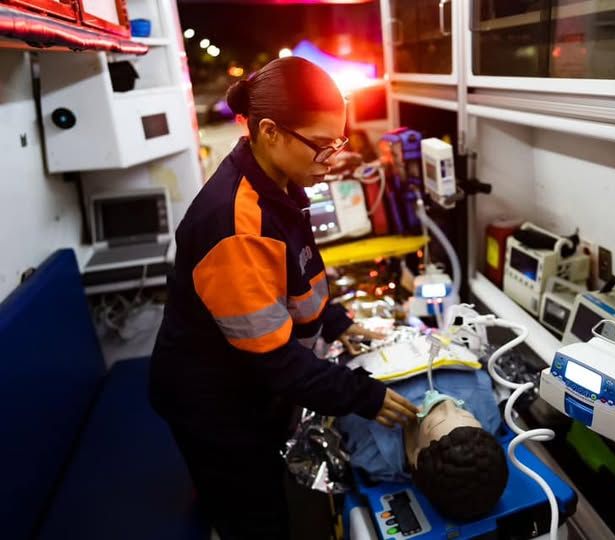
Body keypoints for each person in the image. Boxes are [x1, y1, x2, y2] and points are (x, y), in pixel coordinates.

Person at [149, 57, 418, 540]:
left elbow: (296, 275)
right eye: (322, 146)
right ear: (270, 132)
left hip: (247, 387)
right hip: (212, 400)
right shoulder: (235, 224)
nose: (332, 159)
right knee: (257, 519)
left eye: (337, 142)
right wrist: (365, 396)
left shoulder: (281, 187)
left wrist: (336, 322)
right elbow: (272, 360)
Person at [337, 369, 509, 521]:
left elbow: (338, 389)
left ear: (416, 456)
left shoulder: (370, 444)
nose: (448, 403)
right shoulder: (486, 410)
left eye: (434, 421)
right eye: (462, 410)